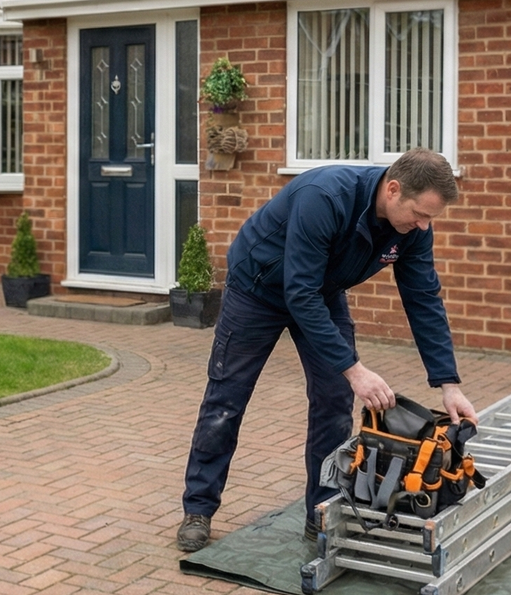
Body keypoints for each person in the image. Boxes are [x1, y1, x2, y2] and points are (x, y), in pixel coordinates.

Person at [176, 149, 477, 553]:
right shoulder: (325, 196)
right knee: (227, 399)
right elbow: (299, 292)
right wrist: (355, 369)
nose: (423, 226)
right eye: (420, 214)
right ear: (393, 189)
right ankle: (198, 508)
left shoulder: (412, 230)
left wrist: (448, 383)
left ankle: (320, 514)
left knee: (334, 401)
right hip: (258, 290)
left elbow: (423, 298)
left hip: (320, 292)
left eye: (430, 219)